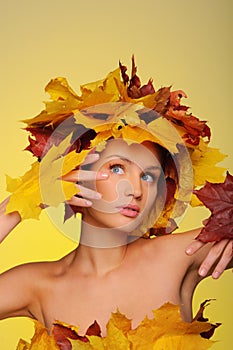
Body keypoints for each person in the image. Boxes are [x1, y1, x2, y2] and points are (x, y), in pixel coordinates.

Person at [0, 63, 232, 343]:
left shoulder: (180, 255)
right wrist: (24, 202)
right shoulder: (36, 285)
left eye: (148, 176)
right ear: (76, 173)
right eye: (118, 168)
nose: (135, 190)